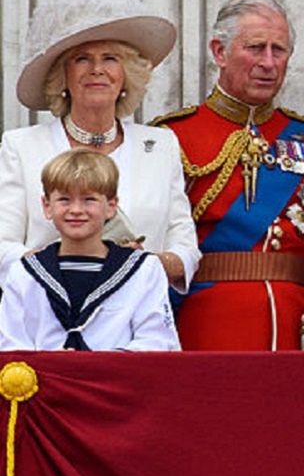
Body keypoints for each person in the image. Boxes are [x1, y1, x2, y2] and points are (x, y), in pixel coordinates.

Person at [153, 0, 304, 351]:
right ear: (219, 52)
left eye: (278, 50)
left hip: (297, 329)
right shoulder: (169, 138)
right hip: (201, 326)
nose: (268, 62)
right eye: (255, 48)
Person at [0, 0, 200, 291]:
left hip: (136, 318)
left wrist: (144, 264)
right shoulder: (21, 147)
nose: (97, 69)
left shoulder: (161, 145)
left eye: (110, 58)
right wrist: (64, 264)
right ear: (62, 75)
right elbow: (3, 248)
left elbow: (186, 251)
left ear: (126, 75)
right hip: (47, 319)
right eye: (82, 59)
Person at [0, 150, 179, 351]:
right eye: (64, 199)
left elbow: (157, 342)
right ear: (47, 206)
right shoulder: (24, 272)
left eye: (89, 199)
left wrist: (92, 368)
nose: (76, 210)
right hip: (43, 380)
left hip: (117, 380)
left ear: (111, 206)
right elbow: (11, 345)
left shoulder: (144, 270)